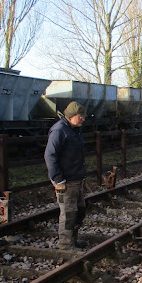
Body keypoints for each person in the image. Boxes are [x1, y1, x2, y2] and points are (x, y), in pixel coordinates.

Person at [44, 101, 87, 249]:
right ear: (71, 116)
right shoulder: (59, 131)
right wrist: (58, 179)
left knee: (79, 211)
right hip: (66, 181)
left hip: (76, 179)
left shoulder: (74, 129)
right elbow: (50, 155)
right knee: (68, 213)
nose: (83, 119)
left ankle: (72, 239)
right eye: (80, 116)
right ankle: (65, 244)